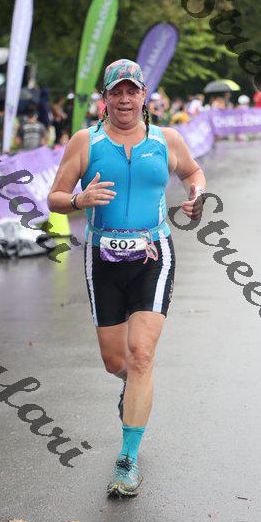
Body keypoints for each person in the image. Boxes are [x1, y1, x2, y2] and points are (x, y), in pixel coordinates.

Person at [48, 59, 206, 497]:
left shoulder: (167, 139)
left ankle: (128, 460)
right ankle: (133, 387)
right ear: (105, 98)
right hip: (102, 258)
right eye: (116, 92)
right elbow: (54, 197)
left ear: (143, 96)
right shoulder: (86, 141)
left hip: (154, 255)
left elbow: (192, 173)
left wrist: (197, 194)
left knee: (141, 355)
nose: (124, 99)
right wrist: (78, 200)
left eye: (131, 91)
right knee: (115, 361)